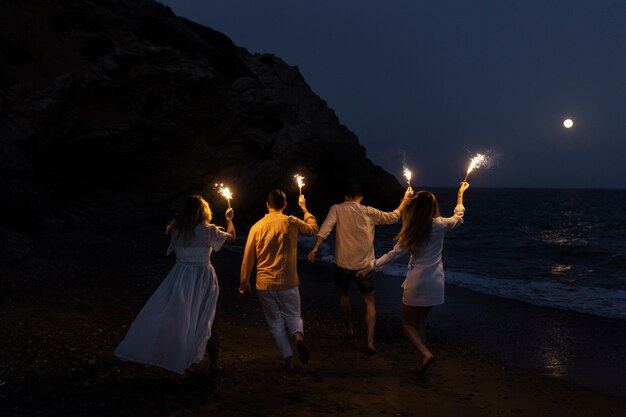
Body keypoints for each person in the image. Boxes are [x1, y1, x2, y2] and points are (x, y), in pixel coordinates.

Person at [357, 182, 470, 374]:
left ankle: (425, 354)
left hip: (417, 281)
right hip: (435, 282)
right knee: (420, 322)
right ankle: (423, 357)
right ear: (433, 207)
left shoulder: (411, 230)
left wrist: (370, 266)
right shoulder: (441, 224)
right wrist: (460, 194)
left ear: (415, 209)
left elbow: (393, 255)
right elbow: (458, 218)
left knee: (407, 324)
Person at [114, 195, 235, 374]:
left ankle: (174, 357)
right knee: (210, 319)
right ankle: (214, 364)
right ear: (204, 211)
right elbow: (231, 238)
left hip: (180, 276)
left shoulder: (175, 230)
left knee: (180, 317)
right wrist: (229, 220)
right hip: (203, 276)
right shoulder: (209, 231)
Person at [307, 184, 413, 354]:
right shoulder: (368, 211)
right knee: (369, 302)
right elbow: (393, 217)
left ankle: (349, 329)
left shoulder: (336, 209)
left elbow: (325, 228)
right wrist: (405, 202)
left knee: (343, 294)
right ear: (361, 198)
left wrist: (315, 248)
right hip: (365, 264)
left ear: (345, 196)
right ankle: (370, 342)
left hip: (342, 262)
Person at [240, 190, 318, 371]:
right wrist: (305, 209)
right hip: (288, 281)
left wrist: (244, 283)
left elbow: (248, 258)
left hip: (264, 283)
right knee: (294, 316)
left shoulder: (257, 227)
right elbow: (313, 230)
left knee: (275, 323)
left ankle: (288, 361)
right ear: (284, 205)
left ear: (267, 205)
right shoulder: (291, 221)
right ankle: (298, 336)